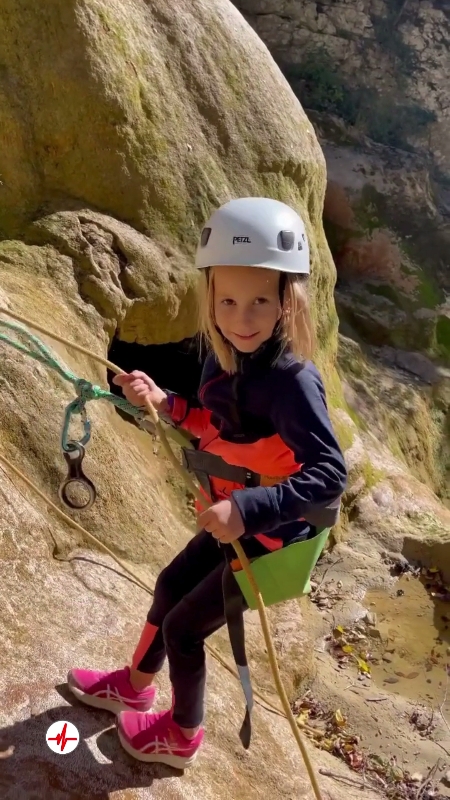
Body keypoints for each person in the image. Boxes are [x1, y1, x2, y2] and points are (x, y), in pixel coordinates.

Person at [67, 197, 347, 769]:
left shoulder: (293, 383)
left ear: (288, 302)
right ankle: (135, 687)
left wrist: (248, 506)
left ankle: (182, 734)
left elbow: (328, 475)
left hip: (277, 541)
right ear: (211, 299)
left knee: (185, 629)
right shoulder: (221, 360)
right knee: (170, 584)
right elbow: (212, 428)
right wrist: (163, 401)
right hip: (238, 522)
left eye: (260, 301)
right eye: (228, 301)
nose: (242, 318)